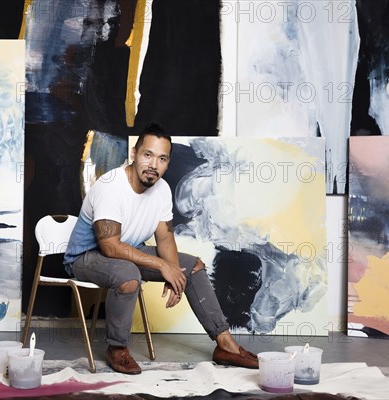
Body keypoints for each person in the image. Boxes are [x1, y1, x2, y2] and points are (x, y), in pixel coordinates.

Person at [63, 124, 259, 374]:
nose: (154, 164)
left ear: (167, 163)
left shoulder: (162, 190)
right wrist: (162, 266)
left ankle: (225, 345)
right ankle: (117, 349)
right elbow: (110, 247)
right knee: (127, 275)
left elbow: (165, 237)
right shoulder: (110, 186)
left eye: (162, 158)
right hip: (86, 257)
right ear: (134, 154)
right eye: (148, 155)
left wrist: (176, 272)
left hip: (129, 251)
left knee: (194, 267)